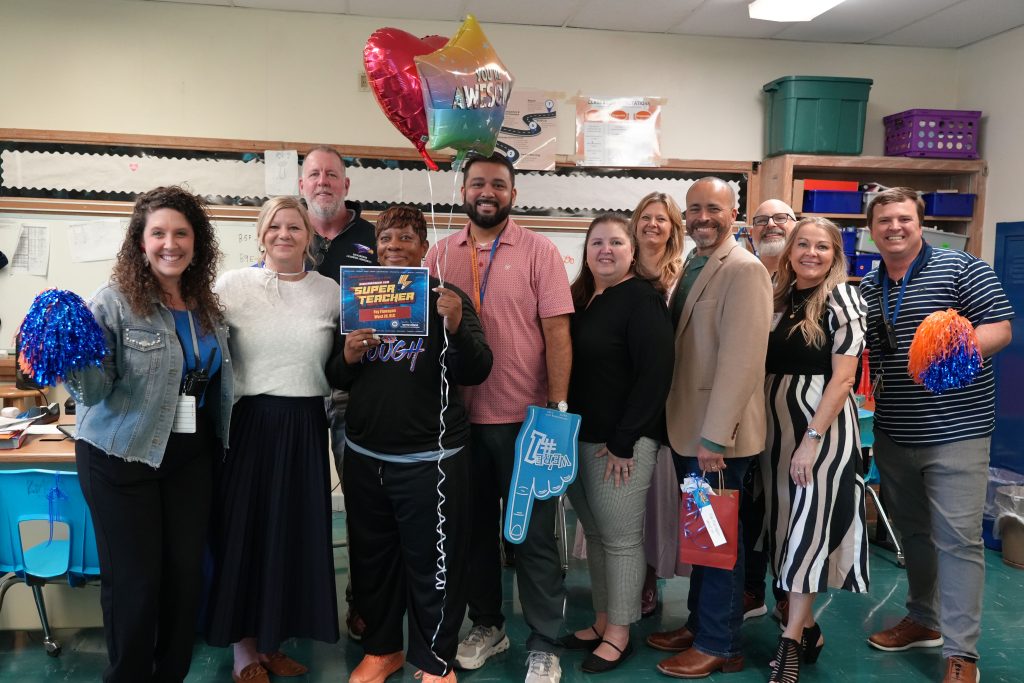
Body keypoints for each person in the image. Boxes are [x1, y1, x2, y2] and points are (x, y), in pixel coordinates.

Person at [67, 186, 232, 683]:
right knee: (136, 585)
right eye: (157, 233)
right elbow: (93, 393)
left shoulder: (207, 305)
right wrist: (70, 354)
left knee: (185, 582)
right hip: (122, 458)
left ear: (196, 242)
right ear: (140, 242)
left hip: (189, 457)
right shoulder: (113, 302)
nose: (170, 243)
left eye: (181, 233)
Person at [425, 152, 574, 683]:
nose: (487, 192)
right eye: (478, 183)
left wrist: (557, 411)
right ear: (462, 191)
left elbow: (558, 333)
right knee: (473, 536)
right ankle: (489, 624)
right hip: (460, 423)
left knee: (532, 536)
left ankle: (543, 641)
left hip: (527, 421)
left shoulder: (540, 251)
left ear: (513, 194)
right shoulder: (439, 254)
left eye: (499, 185)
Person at [328, 206, 492, 683]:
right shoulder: (359, 299)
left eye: (405, 238)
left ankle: (435, 662)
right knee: (371, 562)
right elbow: (334, 376)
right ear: (376, 248)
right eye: (386, 239)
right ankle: (382, 650)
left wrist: (458, 325)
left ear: (424, 247)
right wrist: (347, 354)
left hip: (431, 462)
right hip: (365, 457)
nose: (394, 246)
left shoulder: (447, 298)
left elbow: (478, 369)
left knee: (434, 566)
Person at [859, 188, 1014, 683]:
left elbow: (1001, 328)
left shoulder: (962, 268)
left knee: (958, 540)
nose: (894, 227)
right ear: (872, 228)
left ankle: (961, 652)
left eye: (903, 218)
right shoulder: (868, 284)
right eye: (884, 220)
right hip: (895, 430)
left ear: (920, 222)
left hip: (957, 430)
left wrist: (951, 357)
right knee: (914, 534)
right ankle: (923, 620)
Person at [205, 196, 340, 683]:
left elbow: (346, 359)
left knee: (293, 537)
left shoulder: (330, 292)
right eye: (275, 227)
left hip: (305, 423)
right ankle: (244, 649)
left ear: (311, 236)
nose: (284, 234)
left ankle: (273, 642)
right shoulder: (230, 287)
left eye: (295, 227)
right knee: (246, 533)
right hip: (249, 423)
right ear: (261, 234)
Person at [647, 177, 772, 679]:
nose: (702, 217)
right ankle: (702, 624)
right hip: (692, 430)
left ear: (734, 211)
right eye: (694, 208)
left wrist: (715, 438)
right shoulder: (696, 265)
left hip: (716, 439)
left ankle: (720, 643)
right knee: (704, 535)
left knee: (717, 541)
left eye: (713, 208)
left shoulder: (743, 270)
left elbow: (742, 361)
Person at [559, 213, 674, 673]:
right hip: (580, 439)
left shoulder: (642, 300)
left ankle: (621, 635)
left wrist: (625, 441)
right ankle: (604, 621)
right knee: (601, 538)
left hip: (620, 444)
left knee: (622, 541)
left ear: (632, 251)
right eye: (597, 243)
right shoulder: (585, 298)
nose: (605, 250)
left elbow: (655, 375)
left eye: (616, 243)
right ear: (586, 252)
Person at [760, 217, 870, 682]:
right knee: (783, 530)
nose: (810, 253)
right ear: (788, 250)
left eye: (821, 247)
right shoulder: (778, 295)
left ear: (835, 254)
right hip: (773, 428)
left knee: (807, 530)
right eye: (802, 244)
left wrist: (811, 440)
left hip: (818, 431)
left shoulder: (843, 297)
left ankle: (787, 644)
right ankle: (807, 630)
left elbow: (844, 378)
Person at [298, 145, 376, 641]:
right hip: (298, 389)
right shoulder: (288, 235)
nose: (323, 181)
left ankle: (362, 603)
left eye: (333, 174)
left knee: (364, 503)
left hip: (357, 391)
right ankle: (299, 606)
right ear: (301, 185)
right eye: (314, 174)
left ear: (347, 186)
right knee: (300, 503)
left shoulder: (372, 239)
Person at [628, 192, 688, 617]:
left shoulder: (683, 276)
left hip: (670, 398)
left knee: (657, 495)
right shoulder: (620, 269)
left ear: (673, 229)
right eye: (646, 217)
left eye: (661, 220)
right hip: (622, 394)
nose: (653, 225)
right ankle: (623, 576)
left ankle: (650, 575)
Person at [741, 198, 798, 623]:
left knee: (787, 506)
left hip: (793, 418)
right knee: (749, 507)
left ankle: (785, 592)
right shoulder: (744, 274)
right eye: (761, 220)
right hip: (746, 411)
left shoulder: (808, 282)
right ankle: (750, 591)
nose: (770, 225)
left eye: (781, 218)